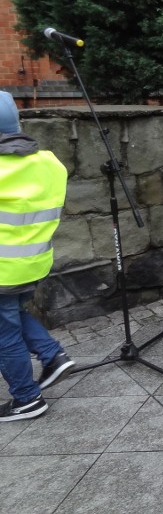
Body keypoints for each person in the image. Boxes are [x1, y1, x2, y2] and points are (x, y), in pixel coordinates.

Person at [0, 93, 76, 422]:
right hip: (34, 263)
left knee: (4, 332)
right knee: (12, 313)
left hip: (3, 268)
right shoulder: (49, 162)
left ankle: (27, 398)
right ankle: (52, 355)